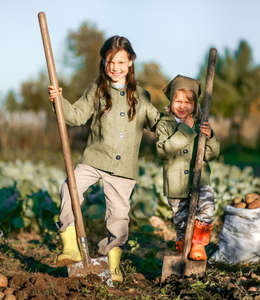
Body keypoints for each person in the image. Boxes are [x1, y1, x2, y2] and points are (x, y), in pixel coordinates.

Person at [48, 35, 160, 282]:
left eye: (121, 62)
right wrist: (59, 101)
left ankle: (114, 265)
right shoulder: (97, 90)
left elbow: (158, 123)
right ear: (104, 62)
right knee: (70, 188)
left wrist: (180, 128)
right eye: (110, 61)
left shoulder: (141, 96)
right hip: (94, 159)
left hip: (123, 168)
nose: (115, 67)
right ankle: (70, 245)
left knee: (119, 218)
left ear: (130, 62)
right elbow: (76, 116)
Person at [155, 75, 220, 261]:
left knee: (207, 209)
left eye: (187, 102)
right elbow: (164, 150)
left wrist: (211, 137)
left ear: (195, 105)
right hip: (176, 184)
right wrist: (185, 130)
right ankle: (184, 246)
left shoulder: (201, 125)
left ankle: (198, 245)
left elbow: (211, 154)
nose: (182, 106)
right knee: (181, 220)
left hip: (200, 180)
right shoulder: (164, 125)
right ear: (171, 102)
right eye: (178, 101)